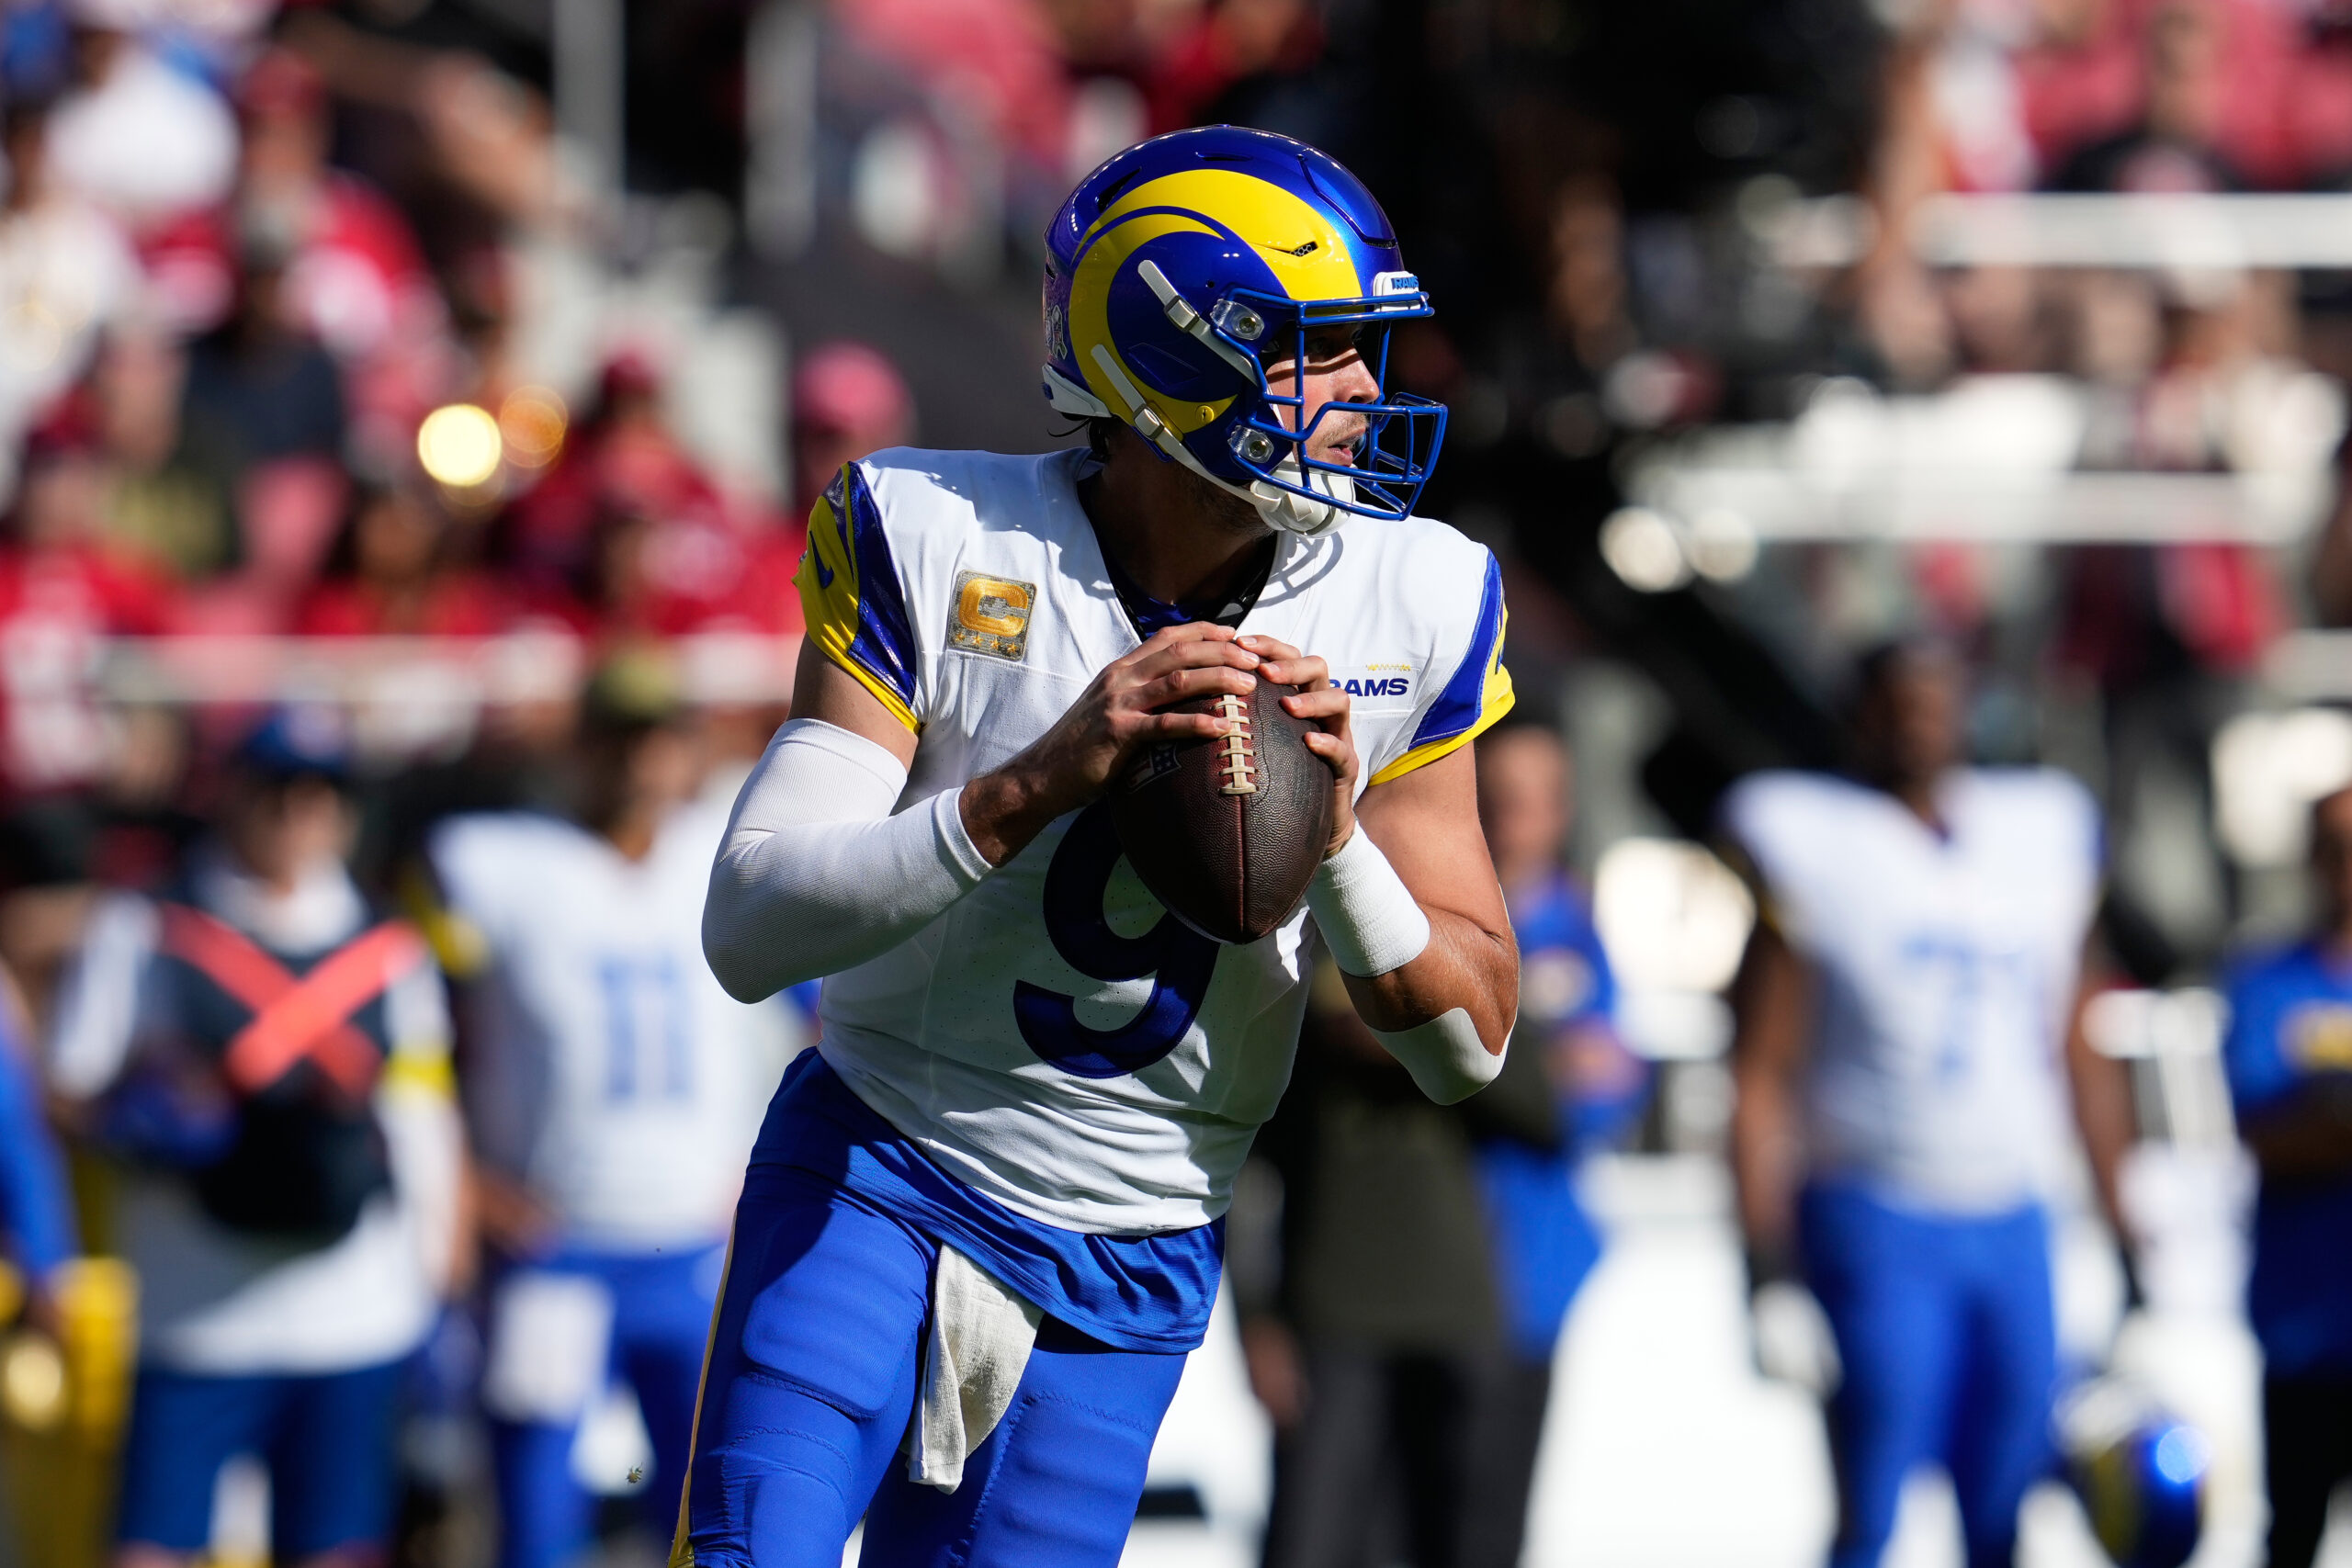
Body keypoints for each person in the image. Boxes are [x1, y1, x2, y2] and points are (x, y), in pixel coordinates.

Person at [682, 124, 1520, 1567]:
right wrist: (1037, 781)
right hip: (888, 1154)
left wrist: (1334, 839)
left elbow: (1472, 1042)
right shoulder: (936, 529)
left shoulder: (1416, 594)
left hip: (1137, 1239)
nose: (1369, 389)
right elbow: (750, 925)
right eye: (1320, 349)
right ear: (1175, 346)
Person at [1723, 641, 2135, 1568]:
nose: (1919, 720)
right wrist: (1763, 1265)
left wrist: (2126, 1225)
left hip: (2015, 1208)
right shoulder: (1812, 839)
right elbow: (1756, 1072)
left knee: (2008, 1498)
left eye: (1935, 699)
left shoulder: (2036, 833)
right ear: (1859, 714)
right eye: (1897, 701)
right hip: (1873, 1209)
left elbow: (2080, 1044)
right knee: (1871, 1501)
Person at [45, 709, 462, 1568]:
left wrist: (439, 1249)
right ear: (233, 794)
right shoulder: (147, 923)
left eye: (319, 794)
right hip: (194, 1313)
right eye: (274, 790)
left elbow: (422, 1108)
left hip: (353, 1308)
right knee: (154, 1544)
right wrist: (144, 1118)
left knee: (338, 1543)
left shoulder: (388, 942)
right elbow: (70, 1088)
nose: (294, 814)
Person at [1246, 721, 1641, 1568]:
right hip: (1361, 1294)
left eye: (1536, 802)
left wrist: (1445, 1020)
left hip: (1510, 1296)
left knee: (1469, 1532)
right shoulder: (1354, 924)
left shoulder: (1570, 930)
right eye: (1493, 801)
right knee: (1334, 1530)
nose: (1515, 822)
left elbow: (1592, 1097)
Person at [422, 660, 790, 1568]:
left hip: (695, 1240)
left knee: (709, 1517)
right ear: (577, 747)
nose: (641, 762)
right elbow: (420, 1029)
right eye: (620, 739)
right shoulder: (496, 865)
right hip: (556, 1244)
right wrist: (466, 1180)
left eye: (659, 739)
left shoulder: (723, 849)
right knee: (535, 1520)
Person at [2218, 785, 2352, 1568]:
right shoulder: (2266, 980)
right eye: (2334, 845)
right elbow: (2264, 1132)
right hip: (2305, 1329)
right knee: (2292, 1533)